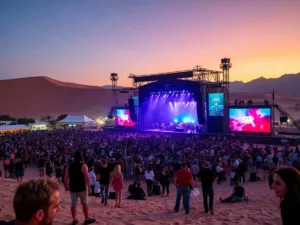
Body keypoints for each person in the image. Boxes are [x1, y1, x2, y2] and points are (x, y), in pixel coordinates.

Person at [64, 151, 95, 225]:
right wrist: (89, 187)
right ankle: (86, 219)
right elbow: (87, 178)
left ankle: (74, 220)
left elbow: (65, 177)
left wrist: (66, 185)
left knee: (73, 204)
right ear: (81, 157)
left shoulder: (70, 166)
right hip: (82, 188)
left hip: (73, 187)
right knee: (84, 204)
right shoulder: (83, 166)